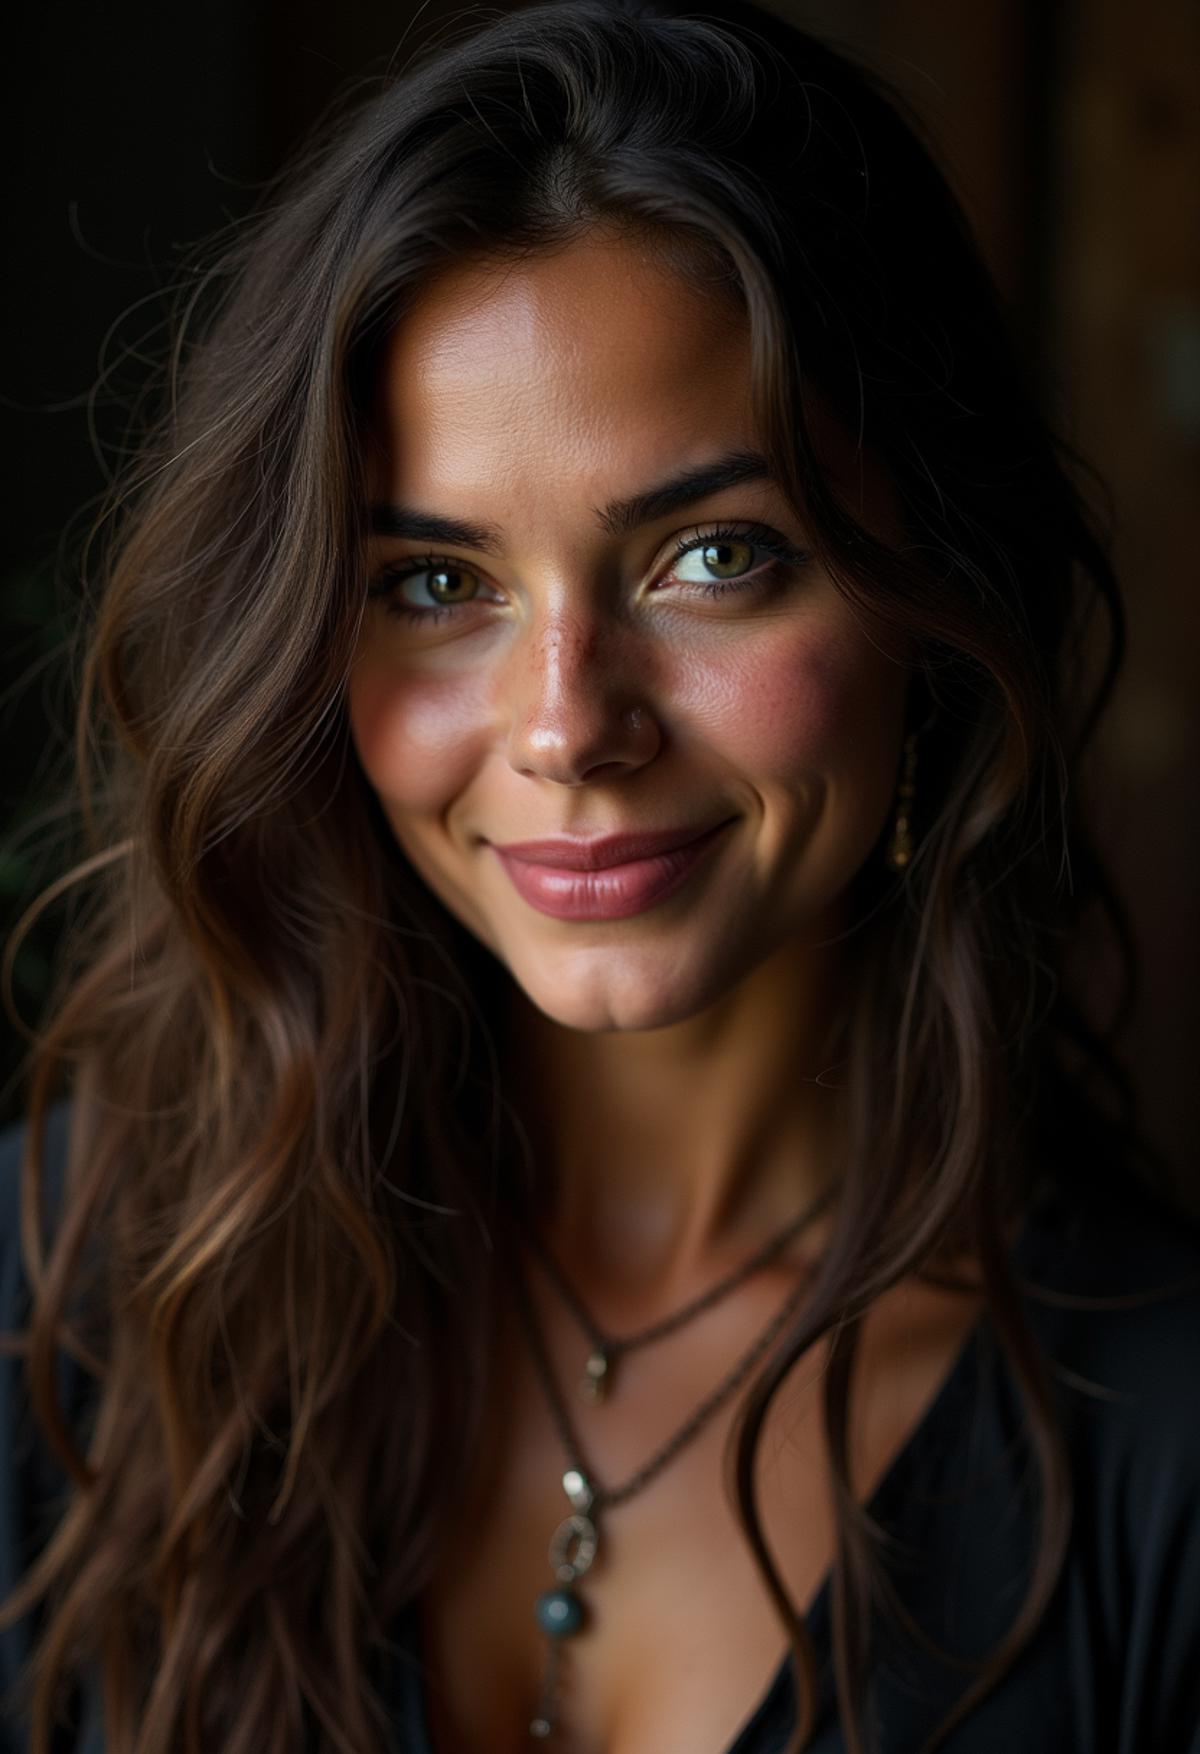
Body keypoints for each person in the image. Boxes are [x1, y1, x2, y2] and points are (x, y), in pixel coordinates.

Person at [1, 0, 1198, 1749]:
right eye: (436, 582)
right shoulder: (68, 1297)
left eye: (714, 557)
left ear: (931, 612)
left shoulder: (1159, 1448)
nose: (565, 725)